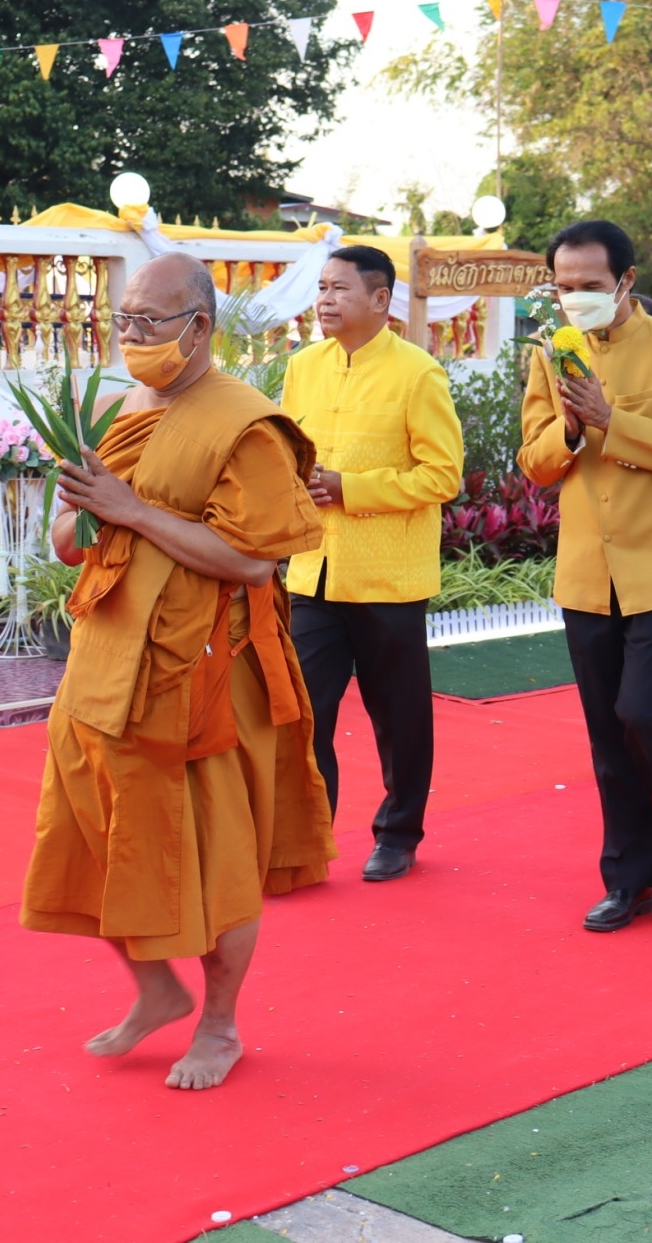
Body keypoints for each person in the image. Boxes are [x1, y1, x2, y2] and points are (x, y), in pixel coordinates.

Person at [22, 252, 335, 1092]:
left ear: (199, 327)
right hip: (104, 657)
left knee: (215, 854)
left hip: (201, 669)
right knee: (95, 829)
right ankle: (157, 987)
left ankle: (221, 1024)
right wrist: (82, 513)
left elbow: (253, 561)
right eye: (123, 320)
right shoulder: (125, 406)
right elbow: (75, 542)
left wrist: (131, 509)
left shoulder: (247, 424)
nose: (131, 336)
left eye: (148, 322)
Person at [516, 219, 652, 932]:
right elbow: (535, 461)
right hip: (586, 571)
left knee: (643, 712)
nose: (575, 298)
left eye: (590, 285)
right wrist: (571, 431)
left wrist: (610, 419)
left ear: (627, 280)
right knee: (607, 736)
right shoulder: (549, 351)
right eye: (563, 286)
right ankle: (626, 876)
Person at [280, 245, 464, 883]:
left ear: (381, 300)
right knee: (304, 712)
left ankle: (399, 833)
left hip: (389, 577)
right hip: (314, 570)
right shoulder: (303, 366)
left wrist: (349, 487)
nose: (325, 300)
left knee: (399, 716)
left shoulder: (417, 373)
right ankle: (307, 836)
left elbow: (442, 475)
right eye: (321, 288)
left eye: (339, 289)